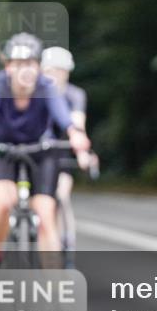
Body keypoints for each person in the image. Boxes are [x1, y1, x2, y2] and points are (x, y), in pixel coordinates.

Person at [0, 33, 91, 267]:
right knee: (3, 202)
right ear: (8, 67)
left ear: (38, 67)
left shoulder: (46, 86)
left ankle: (55, 284)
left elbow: (63, 115)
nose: (24, 70)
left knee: (47, 214)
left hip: (40, 150)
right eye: (18, 64)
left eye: (29, 64)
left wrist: (75, 135)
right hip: (2, 150)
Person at [41, 46, 96, 266]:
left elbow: (78, 125)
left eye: (58, 70)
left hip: (62, 149)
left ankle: (67, 244)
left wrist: (82, 152)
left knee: (61, 196)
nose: (54, 75)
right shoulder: (36, 93)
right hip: (36, 149)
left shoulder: (74, 95)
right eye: (49, 70)